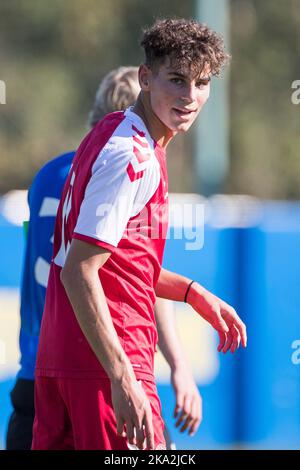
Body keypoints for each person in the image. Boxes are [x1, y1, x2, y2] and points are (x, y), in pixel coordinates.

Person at [32, 18, 247, 451]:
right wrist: (122, 375)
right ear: (144, 77)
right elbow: (80, 271)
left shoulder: (117, 133)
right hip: (107, 362)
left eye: (201, 83)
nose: (190, 96)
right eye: (177, 80)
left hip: (63, 361)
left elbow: (121, 262)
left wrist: (191, 292)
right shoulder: (132, 154)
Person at [6, 65, 201, 450]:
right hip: (98, 366)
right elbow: (135, 279)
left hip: (37, 370)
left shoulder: (49, 174)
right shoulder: (123, 166)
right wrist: (179, 366)